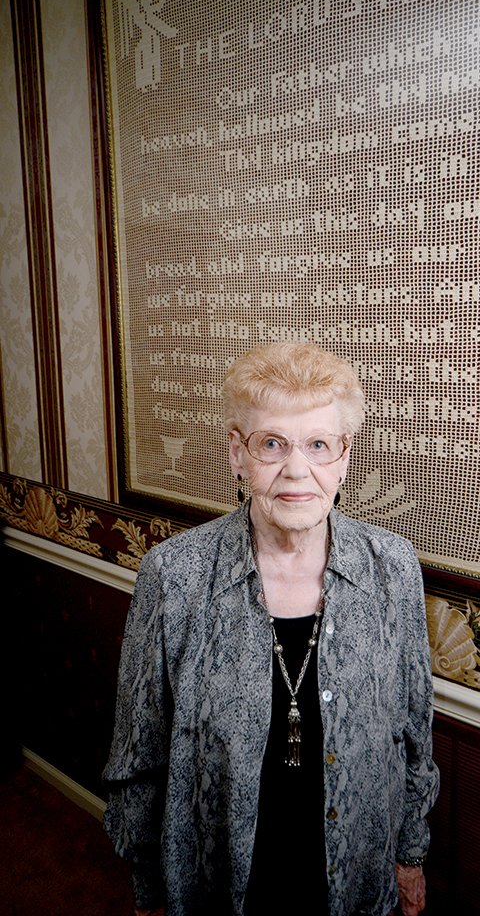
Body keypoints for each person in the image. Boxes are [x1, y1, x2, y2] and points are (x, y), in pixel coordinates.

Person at [103, 342, 439, 916]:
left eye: (318, 444)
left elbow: (413, 729)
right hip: (221, 878)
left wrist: (410, 854)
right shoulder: (175, 575)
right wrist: (149, 889)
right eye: (272, 444)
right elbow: (140, 753)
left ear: (344, 456)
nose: (296, 470)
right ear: (238, 452)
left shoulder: (393, 568)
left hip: (354, 873)